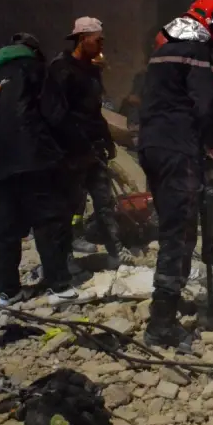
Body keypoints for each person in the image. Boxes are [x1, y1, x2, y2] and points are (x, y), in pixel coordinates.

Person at [138, 0, 213, 349]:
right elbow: (204, 110)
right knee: (178, 234)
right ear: (212, 23)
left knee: (176, 224)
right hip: (178, 148)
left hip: (153, 147)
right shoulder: (197, 52)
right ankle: (161, 323)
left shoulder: (165, 50)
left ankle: (171, 298)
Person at [0, 33, 72, 304]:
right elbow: (56, 114)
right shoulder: (37, 71)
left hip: (3, 165)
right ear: (33, 51)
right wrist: (64, 150)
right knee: (48, 222)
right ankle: (59, 287)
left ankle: (8, 291)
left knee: (7, 229)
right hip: (36, 158)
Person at [42, 17, 134, 270]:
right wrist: (76, 145)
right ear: (83, 39)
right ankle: (66, 255)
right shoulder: (61, 70)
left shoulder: (91, 71)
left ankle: (115, 250)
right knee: (70, 204)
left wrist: (106, 140)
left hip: (93, 150)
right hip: (71, 151)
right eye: (98, 40)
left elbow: (94, 112)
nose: (102, 45)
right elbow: (57, 115)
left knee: (104, 202)